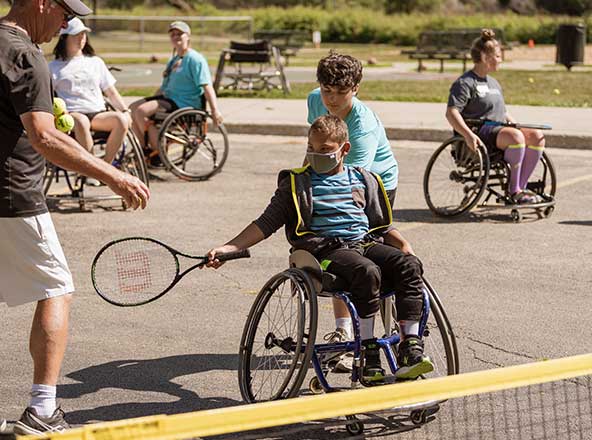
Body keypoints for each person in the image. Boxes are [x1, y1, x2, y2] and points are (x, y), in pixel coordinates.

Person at [0, 0, 150, 434]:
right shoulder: (25, 53)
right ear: (41, 2)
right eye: (64, 12)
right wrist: (114, 176)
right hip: (13, 195)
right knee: (56, 288)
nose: (68, 23)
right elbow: (45, 137)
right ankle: (43, 409)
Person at [206, 115, 433, 382]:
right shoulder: (297, 185)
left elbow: (381, 225)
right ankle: (369, 352)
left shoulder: (363, 180)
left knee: (409, 265)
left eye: (325, 150)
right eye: (311, 148)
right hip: (327, 252)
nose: (316, 155)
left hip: (366, 243)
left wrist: (404, 244)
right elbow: (265, 223)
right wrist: (229, 247)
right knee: (367, 271)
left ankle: (410, 347)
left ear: (344, 150)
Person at [307, 52, 401, 367]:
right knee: (337, 248)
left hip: (375, 182)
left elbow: (350, 178)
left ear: (356, 88)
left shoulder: (363, 126)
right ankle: (343, 330)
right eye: (326, 90)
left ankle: (380, 323)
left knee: (360, 251)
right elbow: (316, 149)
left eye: (340, 92)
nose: (331, 99)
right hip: (338, 175)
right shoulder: (314, 101)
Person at [446, 28, 546, 205]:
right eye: (498, 56)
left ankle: (521, 187)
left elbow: (503, 111)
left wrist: (518, 125)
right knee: (515, 137)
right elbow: (451, 112)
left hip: (499, 130)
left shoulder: (493, 82)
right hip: (479, 132)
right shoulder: (464, 83)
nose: (501, 60)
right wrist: (468, 135)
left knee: (537, 136)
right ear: (485, 57)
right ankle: (514, 191)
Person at [130, 21, 223, 163]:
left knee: (141, 111)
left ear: (188, 36)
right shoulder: (174, 60)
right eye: (173, 34)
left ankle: (155, 153)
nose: (176, 37)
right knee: (132, 109)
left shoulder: (195, 60)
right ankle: (144, 147)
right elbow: (164, 87)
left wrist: (215, 110)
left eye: (180, 34)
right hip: (169, 99)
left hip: (183, 103)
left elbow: (207, 86)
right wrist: (150, 99)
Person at [49, 17, 131, 167]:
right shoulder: (53, 67)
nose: (81, 38)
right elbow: (48, 97)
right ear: (64, 38)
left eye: (84, 34)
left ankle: (105, 167)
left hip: (97, 113)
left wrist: (125, 110)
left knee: (121, 120)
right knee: (81, 121)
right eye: (77, 35)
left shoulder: (95, 62)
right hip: (72, 114)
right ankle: (92, 168)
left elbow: (111, 92)